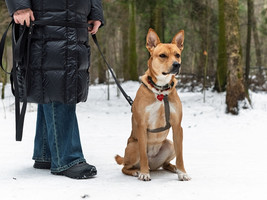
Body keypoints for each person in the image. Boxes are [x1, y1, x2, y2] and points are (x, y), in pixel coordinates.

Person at [5, 0, 104, 179]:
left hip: (75, 21)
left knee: (57, 82)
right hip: (45, 20)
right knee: (58, 83)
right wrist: (19, 5)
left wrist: (95, 11)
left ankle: (47, 153)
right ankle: (68, 158)